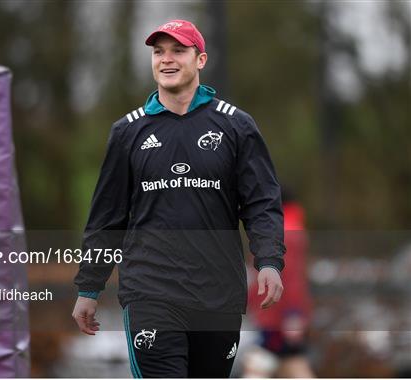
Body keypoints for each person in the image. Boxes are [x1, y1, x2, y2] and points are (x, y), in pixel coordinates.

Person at [72, 19, 285, 378]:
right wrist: (90, 286)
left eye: (178, 51)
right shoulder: (128, 131)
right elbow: (107, 218)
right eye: (158, 52)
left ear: (200, 60)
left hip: (218, 295)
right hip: (150, 293)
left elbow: (262, 203)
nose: (166, 60)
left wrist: (269, 261)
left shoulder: (236, 126)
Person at [244, 189, 315, 378]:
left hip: (276, 315)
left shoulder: (282, 233)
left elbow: (290, 278)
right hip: (276, 313)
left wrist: (293, 314)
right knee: (291, 362)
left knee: (258, 367)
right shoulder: (291, 230)